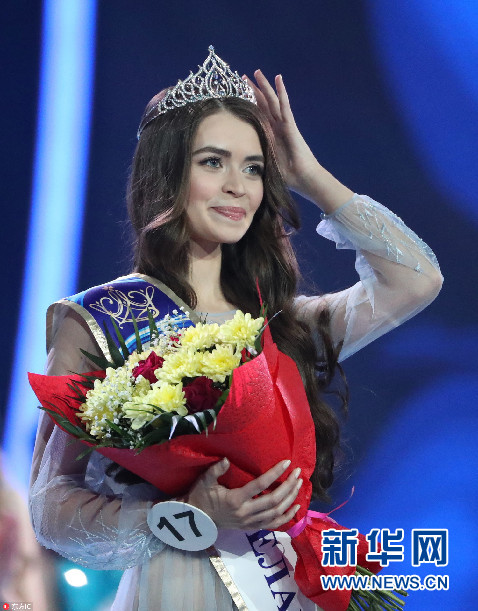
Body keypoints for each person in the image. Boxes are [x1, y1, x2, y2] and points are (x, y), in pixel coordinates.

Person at [29, 47, 442, 610]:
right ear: (166, 173)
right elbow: (51, 508)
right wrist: (187, 514)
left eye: (253, 168)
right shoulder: (105, 319)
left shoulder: (283, 323)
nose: (238, 186)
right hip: (181, 583)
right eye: (212, 162)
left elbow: (416, 280)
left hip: (284, 579)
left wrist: (309, 175)